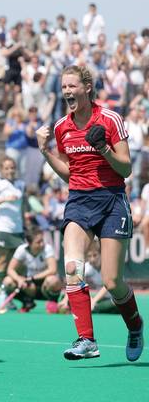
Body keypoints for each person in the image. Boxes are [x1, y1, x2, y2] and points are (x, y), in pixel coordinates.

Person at [36, 65, 143, 361]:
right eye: (63, 87)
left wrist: (104, 150)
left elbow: (126, 168)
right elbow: (70, 174)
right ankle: (86, 340)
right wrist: (45, 152)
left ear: (87, 87)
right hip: (79, 201)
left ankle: (135, 327)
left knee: (112, 282)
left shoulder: (110, 119)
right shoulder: (61, 127)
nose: (67, 92)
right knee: (72, 268)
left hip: (111, 199)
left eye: (72, 86)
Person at [0, 157, 26, 307]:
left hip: (18, 230)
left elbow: (22, 207)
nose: (10, 171)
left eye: (12, 168)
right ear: (1, 170)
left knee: (18, 266)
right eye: (7, 168)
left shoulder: (21, 184)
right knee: (2, 264)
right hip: (2, 228)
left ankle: (9, 296)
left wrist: (25, 223)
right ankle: (2, 295)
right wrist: (4, 199)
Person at [0, 227, 62, 314]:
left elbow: (53, 270)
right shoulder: (21, 250)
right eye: (38, 242)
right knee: (8, 281)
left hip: (45, 284)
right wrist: (19, 279)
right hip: (30, 285)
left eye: (42, 241)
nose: (42, 244)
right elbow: (10, 270)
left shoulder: (47, 249)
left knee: (52, 280)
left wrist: (33, 278)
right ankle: (27, 302)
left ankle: (53, 301)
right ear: (29, 243)